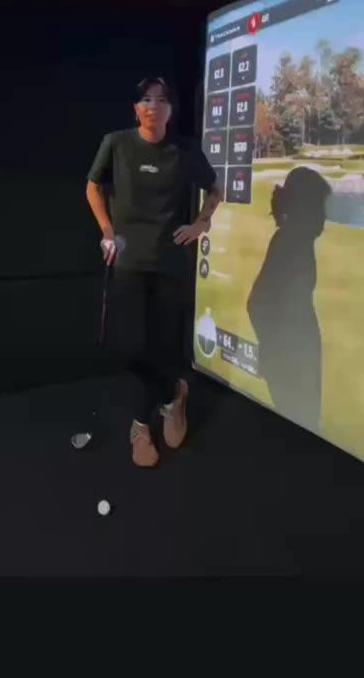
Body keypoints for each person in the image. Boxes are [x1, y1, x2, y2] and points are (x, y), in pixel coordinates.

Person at [86, 77, 220, 467]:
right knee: (131, 348)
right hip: (128, 263)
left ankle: (141, 425)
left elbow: (215, 189)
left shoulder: (185, 150)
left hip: (169, 264)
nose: (153, 106)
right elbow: (93, 187)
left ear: (171, 109)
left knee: (161, 346)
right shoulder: (116, 143)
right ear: (136, 108)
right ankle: (172, 395)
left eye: (161, 100)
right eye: (145, 99)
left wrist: (201, 224)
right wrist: (107, 230)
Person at [247, 167, 331, 433]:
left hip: (298, 361)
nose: (325, 216)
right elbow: (256, 303)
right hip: (293, 367)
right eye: (319, 207)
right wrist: (281, 355)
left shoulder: (297, 241)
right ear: (305, 207)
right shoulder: (289, 243)